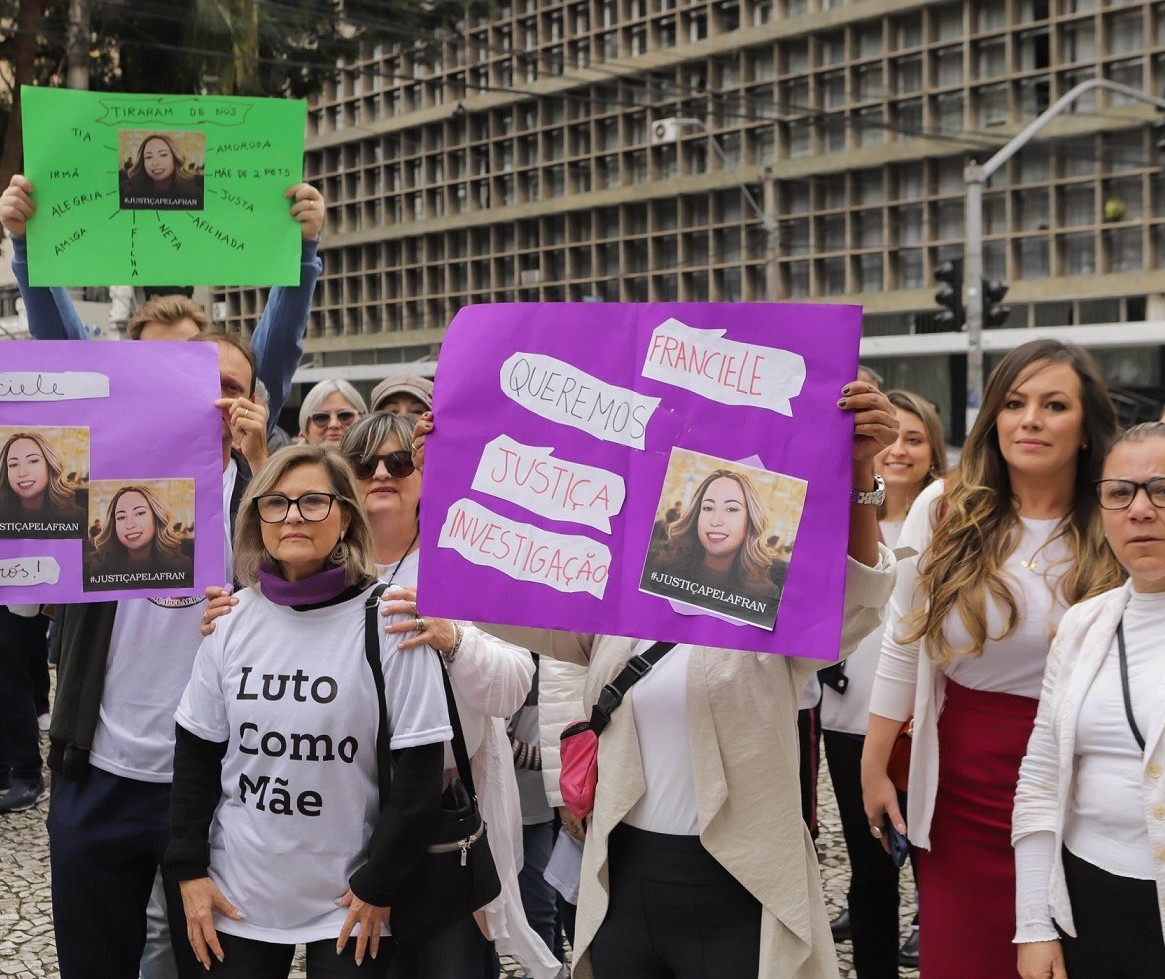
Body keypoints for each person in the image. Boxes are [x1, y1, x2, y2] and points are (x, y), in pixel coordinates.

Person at [411, 380, 899, 978]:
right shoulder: (624, 613)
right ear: (682, 513)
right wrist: (450, 475)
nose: (717, 519)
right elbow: (517, 602)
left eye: (734, 506)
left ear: (755, 523)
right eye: (707, 505)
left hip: (738, 886)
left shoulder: (777, 615)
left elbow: (858, 599)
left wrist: (859, 476)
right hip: (625, 882)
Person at [200, 412, 562, 979]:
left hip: (437, 820)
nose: (382, 475)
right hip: (344, 826)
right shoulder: (309, 569)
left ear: (423, 474)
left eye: (400, 462)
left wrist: (452, 638)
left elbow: (514, 683)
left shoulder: (464, 559)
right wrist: (238, 615)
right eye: (364, 464)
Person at [862, 340, 1125, 979]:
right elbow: (904, 640)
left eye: (1053, 404)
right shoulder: (946, 508)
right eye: (1014, 402)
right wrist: (874, 764)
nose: (1029, 419)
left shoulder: (1122, 516)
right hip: (961, 786)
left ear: (1087, 428)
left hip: (1086, 785)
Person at [166, 444, 452, 976]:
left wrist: (379, 882)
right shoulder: (230, 620)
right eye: (276, 503)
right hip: (238, 894)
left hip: (350, 900)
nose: (293, 515)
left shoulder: (389, 620)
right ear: (258, 519)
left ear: (346, 516)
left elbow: (419, 770)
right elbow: (196, 754)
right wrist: (189, 873)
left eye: (314, 501)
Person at [45, 331, 268, 979]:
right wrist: (28, 256)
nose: (219, 402)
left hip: (211, 790)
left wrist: (257, 466)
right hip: (98, 775)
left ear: (255, 403)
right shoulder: (108, 482)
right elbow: (66, 349)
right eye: (206, 385)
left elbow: (304, 593)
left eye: (233, 389)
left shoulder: (269, 504)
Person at [1012, 420, 1165, 978]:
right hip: (1091, 900)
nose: (1141, 510)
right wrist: (1034, 924)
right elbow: (1042, 776)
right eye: (1120, 493)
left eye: (1162, 490)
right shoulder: (1083, 624)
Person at [0, 171, 325, 431]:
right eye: (156, 358)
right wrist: (29, 244)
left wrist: (302, 249)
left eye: (190, 356)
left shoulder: (244, 423)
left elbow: (279, 341)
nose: (174, 370)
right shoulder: (110, 422)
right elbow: (65, 349)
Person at [820, 390, 945, 978]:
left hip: (925, 725)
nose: (899, 450)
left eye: (914, 438)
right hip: (850, 720)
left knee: (932, 863)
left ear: (933, 450)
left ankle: (938, 942)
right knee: (870, 872)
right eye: (890, 436)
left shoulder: (950, 517)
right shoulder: (839, 514)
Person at [642, 468, 786, 623]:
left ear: (751, 519)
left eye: (731, 509)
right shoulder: (655, 565)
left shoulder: (771, 593)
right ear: (697, 515)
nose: (715, 521)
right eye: (708, 508)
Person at [85, 485, 193, 586]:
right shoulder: (95, 570)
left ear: (157, 517)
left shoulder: (183, 567)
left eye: (140, 513)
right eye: (121, 517)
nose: (130, 525)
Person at [0, 430, 86, 533]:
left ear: (50, 465)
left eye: (33, 461)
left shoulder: (77, 517)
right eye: (13, 464)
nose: (22, 473)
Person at [119, 134, 204, 209]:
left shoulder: (199, 187)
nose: (155, 163)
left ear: (175, 158)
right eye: (148, 157)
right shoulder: (126, 192)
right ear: (142, 162)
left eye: (163, 155)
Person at [299, 380, 367, 448]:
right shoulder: (290, 458)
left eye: (345, 416)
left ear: (362, 419)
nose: (333, 424)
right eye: (321, 418)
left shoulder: (376, 458)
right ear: (306, 426)